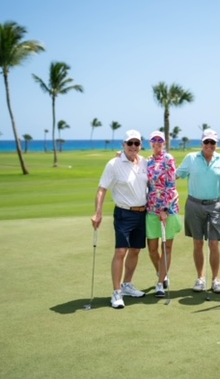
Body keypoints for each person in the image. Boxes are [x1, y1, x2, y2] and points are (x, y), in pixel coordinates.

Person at [91, 129, 148, 309]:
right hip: (124, 213)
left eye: (136, 143)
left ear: (140, 145)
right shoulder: (114, 164)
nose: (133, 146)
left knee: (135, 250)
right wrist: (98, 213)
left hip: (142, 213)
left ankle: (126, 285)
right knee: (121, 251)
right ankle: (116, 293)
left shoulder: (145, 162)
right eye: (129, 143)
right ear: (123, 145)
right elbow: (102, 189)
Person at [176, 129, 220, 294]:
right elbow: (175, 175)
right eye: (206, 142)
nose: (209, 145)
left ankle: (216, 279)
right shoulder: (191, 158)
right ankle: (200, 278)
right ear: (201, 143)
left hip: (214, 206)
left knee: (214, 243)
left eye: (212, 142)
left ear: (216, 144)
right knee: (198, 243)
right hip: (194, 204)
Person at [145, 130, 182, 298]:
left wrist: (165, 208)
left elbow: (170, 184)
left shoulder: (169, 159)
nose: (157, 143)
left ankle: (160, 283)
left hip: (169, 208)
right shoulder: (146, 161)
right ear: (150, 143)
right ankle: (161, 272)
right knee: (152, 248)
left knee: (166, 246)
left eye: (160, 140)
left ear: (164, 143)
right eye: (154, 140)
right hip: (151, 208)